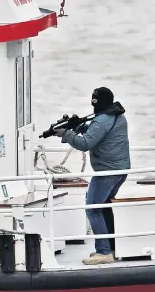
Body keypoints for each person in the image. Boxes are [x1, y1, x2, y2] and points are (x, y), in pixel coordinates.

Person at [55, 87, 131, 265]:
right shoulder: (119, 116)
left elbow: (85, 143)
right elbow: (100, 131)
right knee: (104, 206)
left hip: (106, 172)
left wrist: (67, 133)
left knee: (92, 208)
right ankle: (111, 248)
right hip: (120, 171)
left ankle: (103, 252)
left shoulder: (101, 120)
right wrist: (80, 127)